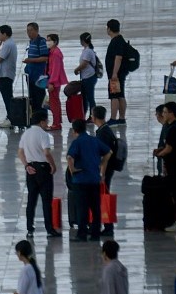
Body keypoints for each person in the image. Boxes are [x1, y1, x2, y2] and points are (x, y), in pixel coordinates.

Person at [67, 119, 112, 242]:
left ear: (74, 130)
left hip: (80, 180)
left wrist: (73, 171)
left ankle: (82, 234)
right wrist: (101, 165)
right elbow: (109, 152)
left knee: (82, 208)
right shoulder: (94, 140)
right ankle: (95, 234)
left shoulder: (77, 142)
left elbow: (70, 157)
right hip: (94, 179)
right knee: (96, 208)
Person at [17, 110, 58, 238]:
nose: (48, 123)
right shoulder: (43, 134)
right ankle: (49, 229)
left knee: (31, 200)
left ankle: (30, 229)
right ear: (41, 122)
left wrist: (26, 166)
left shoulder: (26, 133)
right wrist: (53, 164)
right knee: (46, 201)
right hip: (43, 169)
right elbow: (46, 153)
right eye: (47, 121)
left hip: (31, 170)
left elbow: (20, 152)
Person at [155, 103, 176, 229]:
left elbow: (169, 149)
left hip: (175, 166)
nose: (162, 114)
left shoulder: (173, 129)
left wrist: (160, 154)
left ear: (171, 113)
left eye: (164, 112)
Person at [92, 106, 118, 237]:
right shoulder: (105, 129)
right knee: (104, 196)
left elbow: (105, 155)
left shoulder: (103, 133)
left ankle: (108, 226)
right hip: (108, 169)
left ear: (93, 117)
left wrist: (102, 173)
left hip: (106, 170)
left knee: (104, 197)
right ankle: (106, 225)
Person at [104, 19, 129, 125]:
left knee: (114, 95)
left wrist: (114, 73)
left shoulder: (117, 41)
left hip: (116, 74)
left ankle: (113, 119)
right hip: (119, 73)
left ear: (109, 28)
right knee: (120, 95)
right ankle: (122, 118)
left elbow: (118, 58)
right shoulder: (119, 40)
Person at [22, 23, 49, 113]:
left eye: (31, 30)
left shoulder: (41, 41)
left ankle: (42, 116)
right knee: (32, 97)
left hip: (39, 76)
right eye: (27, 31)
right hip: (31, 75)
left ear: (36, 30)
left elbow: (45, 57)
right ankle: (34, 116)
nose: (29, 33)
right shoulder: (31, 42)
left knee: (40, 97)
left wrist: (31, 60)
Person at [44, 34, 69, 130]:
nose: (47, 42)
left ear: (55, 42)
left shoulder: (55, 53)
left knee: (54, 102)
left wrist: (51, 82)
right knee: (54, 102)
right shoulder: (52, 52)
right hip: (53, 81)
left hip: (54, 82)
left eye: (49, 40)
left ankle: (56, 123)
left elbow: (55, 69)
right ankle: (57, 121)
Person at [0, 25, 18, 129]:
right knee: (8, 97)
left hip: (5, 75)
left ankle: (11, 118)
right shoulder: (8, 44)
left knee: (7, 98)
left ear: (5, 34)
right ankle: (10, 117)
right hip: (6, 74)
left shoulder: (8, 45)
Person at [74, 32, 100, 120]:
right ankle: (84, 115)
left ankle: (93, 116)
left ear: (82, 40)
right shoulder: (86, 50)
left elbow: (84, 64)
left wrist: (76, 69)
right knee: (85, 98)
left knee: (90, 98)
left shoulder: (88, 51)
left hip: (89, 77)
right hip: (86, 77)